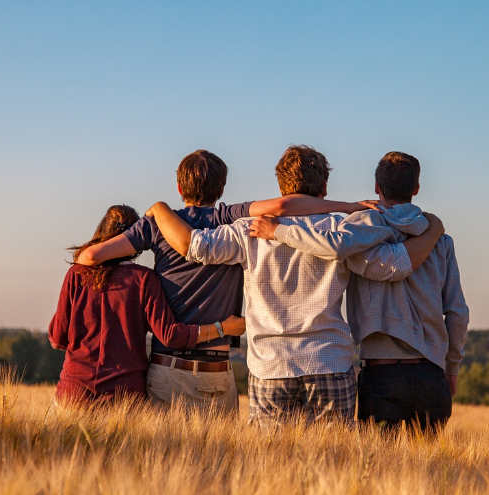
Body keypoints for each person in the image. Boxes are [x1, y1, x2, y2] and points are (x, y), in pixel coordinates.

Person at [146, 145, 445, 426]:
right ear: (324, 188)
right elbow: (392, 266)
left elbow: (195, 247)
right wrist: (433, 230)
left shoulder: (247, 230)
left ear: (280, 187)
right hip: (329, 361)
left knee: (271, 466)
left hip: (270, 366)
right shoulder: (341, 231)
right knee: (334, 464)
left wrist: (160, 209)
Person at [74, 149, 377, 412]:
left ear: (180, 187)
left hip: (168, 367)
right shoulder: (229, 217)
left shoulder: (157, 224)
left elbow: (89, 258)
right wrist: (348, 207)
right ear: (222, 188)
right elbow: (285, 207)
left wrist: (156, 213)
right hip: (218, 370)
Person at [251, 151, 468, 433]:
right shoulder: (440, 240)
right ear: (416, 188)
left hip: (380, 374)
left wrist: (279, 231)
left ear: (377, 187)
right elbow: (457, 312)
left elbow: (334, 246)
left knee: (378, 470)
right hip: (431, 372)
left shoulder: (357, 231)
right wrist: (452, 367)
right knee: (429, 472)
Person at [48, 204, 245, 406]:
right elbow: (170, 335)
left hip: (73, 392)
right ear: (136, 238)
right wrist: (223, 328)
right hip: (125, 397)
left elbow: (58, 339)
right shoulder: (143, 279)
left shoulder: (77, 274)